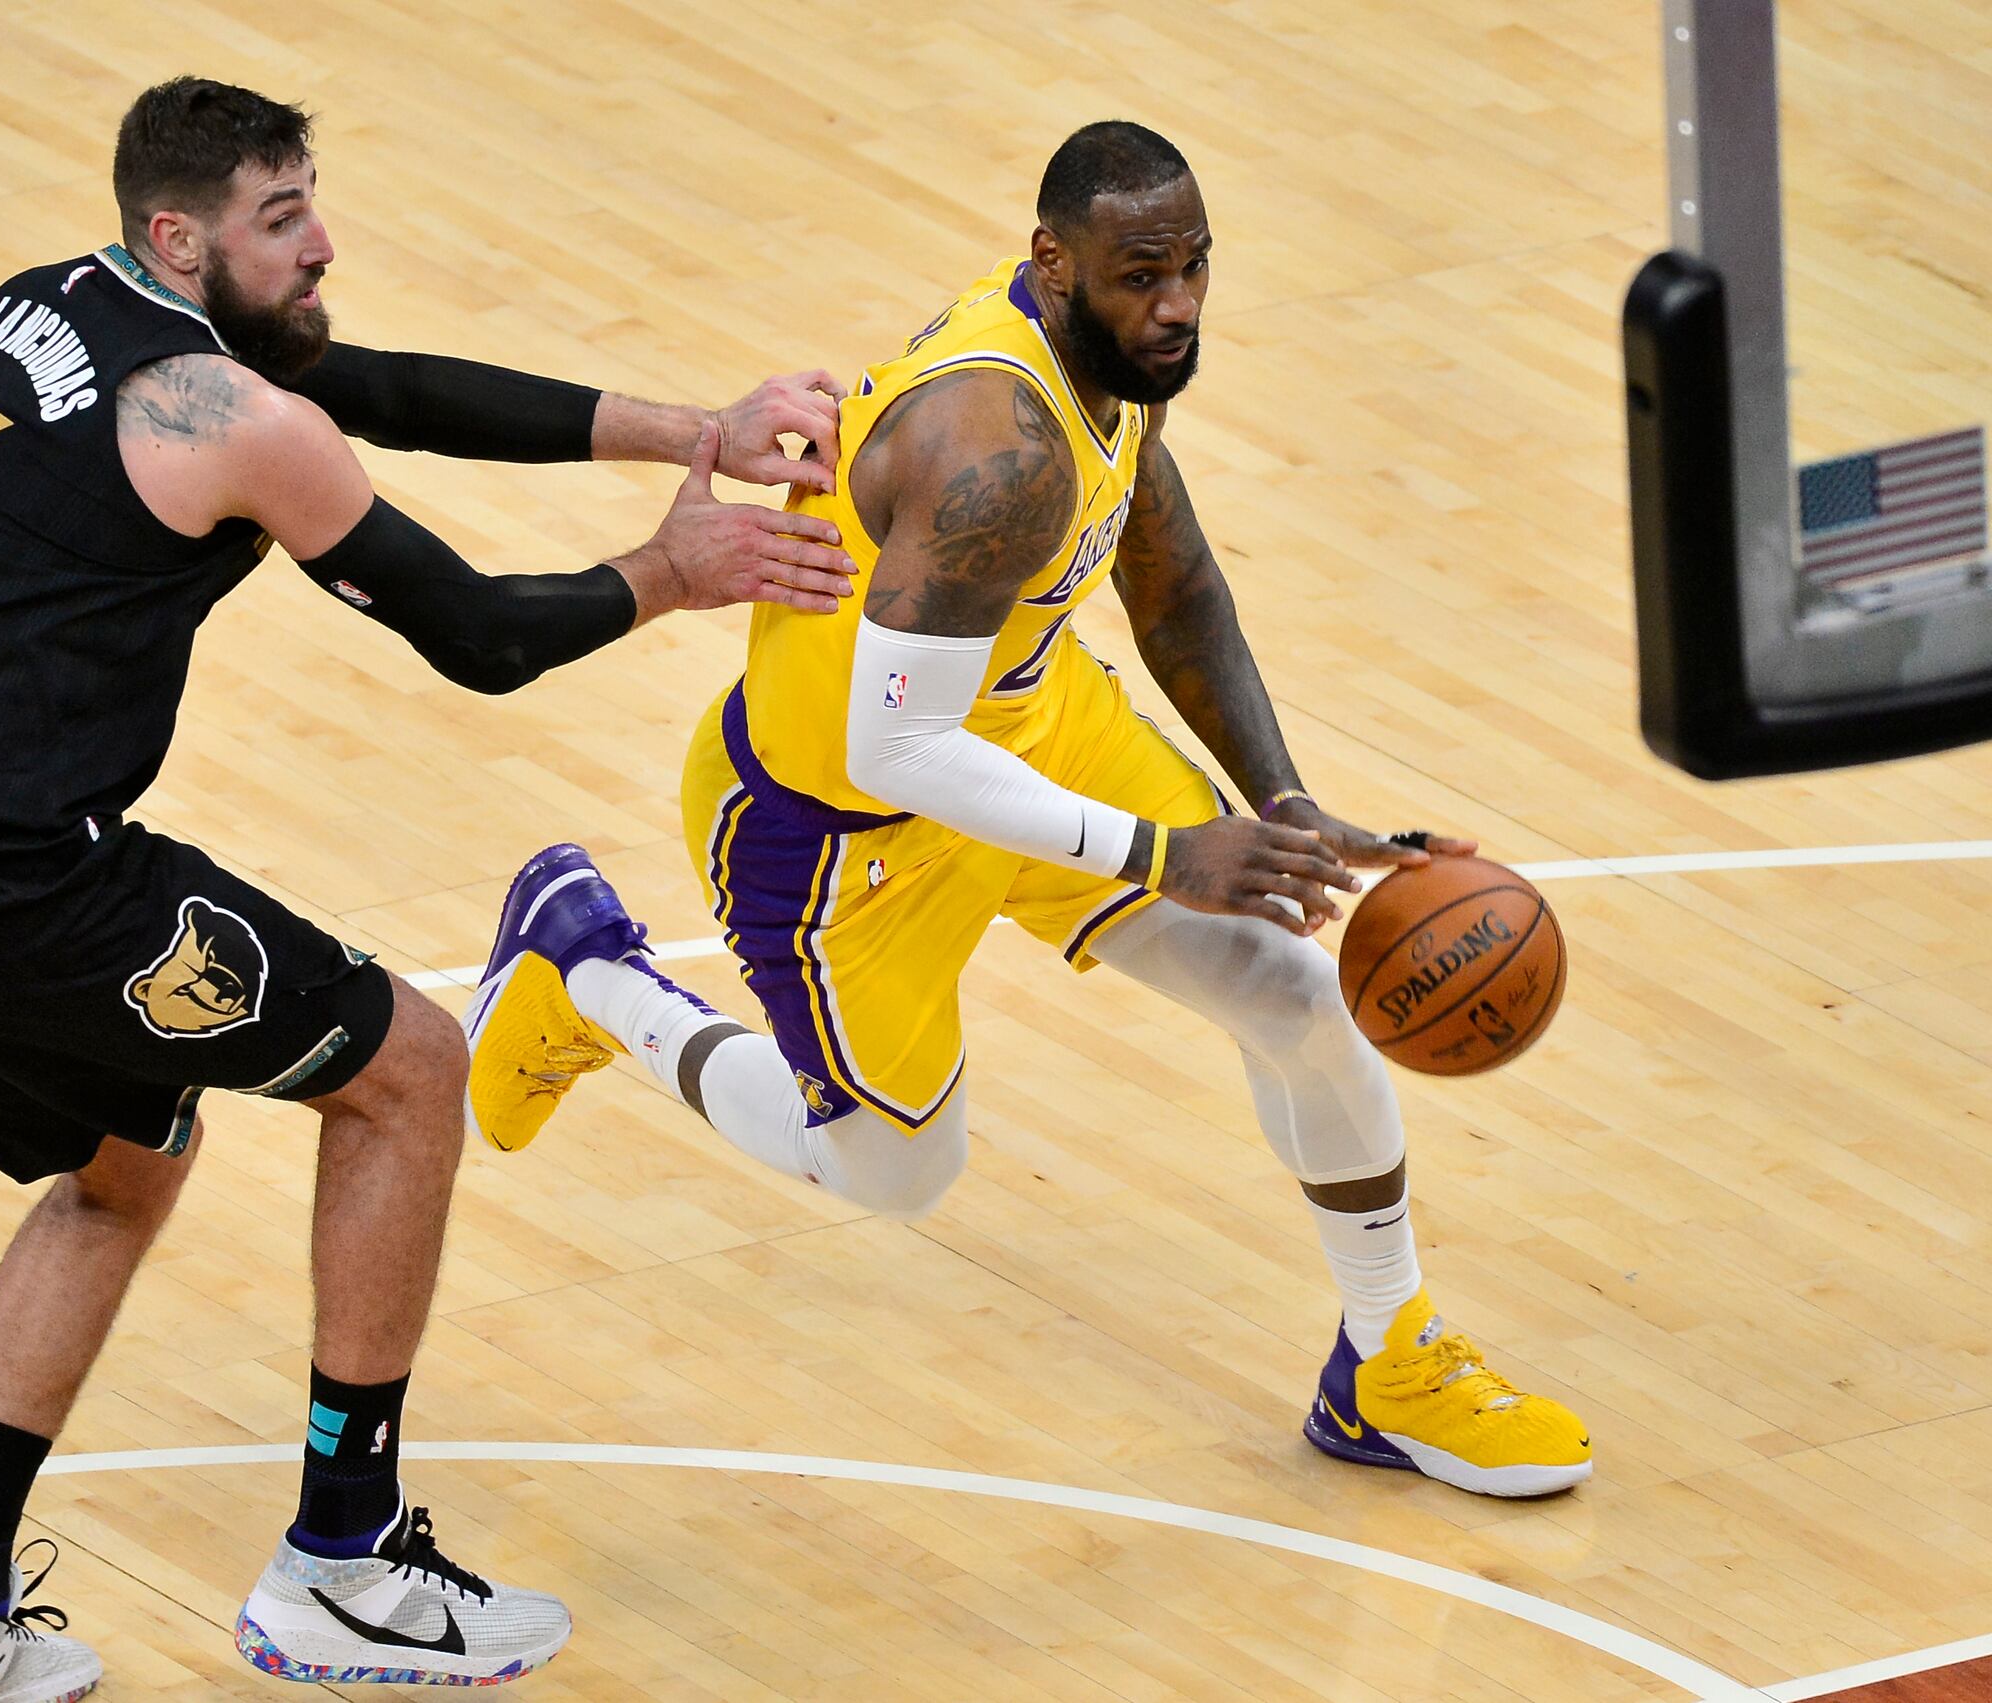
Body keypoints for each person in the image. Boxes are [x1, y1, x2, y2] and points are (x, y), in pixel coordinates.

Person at [0, 76, 855, 1700]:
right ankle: (341, 1570)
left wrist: (693, 432)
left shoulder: (47, 303)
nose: (322, 242)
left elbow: (376, 387)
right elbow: (474, 638)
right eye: (283, 221)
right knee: (409, 1071)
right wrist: (674, 572)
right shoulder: (219, 417)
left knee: (127, 1161)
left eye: (311, 202)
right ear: (181, 239)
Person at [465, 121, 1592, 1502]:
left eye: (1194, 269)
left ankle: (1388, 1364)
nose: (1175, 304)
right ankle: (587, 976)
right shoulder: (995, 445)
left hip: (1027, 722)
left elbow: (1171, 589)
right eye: (1141, 276)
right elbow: (896, 750)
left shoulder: (1121, 366)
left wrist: (1282, 804)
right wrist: (1171, 853)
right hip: (841, 827)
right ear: (1051, 263)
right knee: (891, 1175)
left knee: (1298, 988)